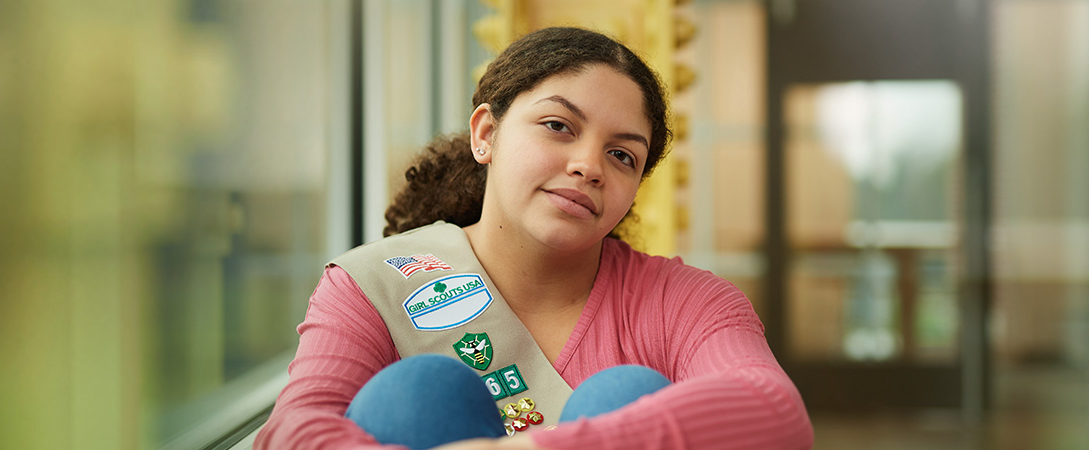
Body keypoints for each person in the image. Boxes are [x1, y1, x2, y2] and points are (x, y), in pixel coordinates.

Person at [256, 27, 812, 450]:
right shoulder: (371, 287)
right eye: (558, 126)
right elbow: (295, 430)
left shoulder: (683, 300)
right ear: (486, 134)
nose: (588, 166)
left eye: (622, 156)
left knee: (624, 395)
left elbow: (775, 411)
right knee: (420, 393)